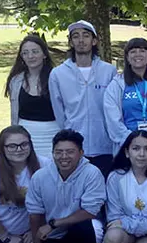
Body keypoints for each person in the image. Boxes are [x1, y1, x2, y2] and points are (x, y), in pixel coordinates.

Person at [18, 129, 107, 243]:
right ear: (52, 153)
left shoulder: (92, 174)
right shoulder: (40, 176)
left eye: (70, 152)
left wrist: (54, 223)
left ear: (81, 153)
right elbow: (34, 213)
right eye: (59, 152)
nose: (64, 156)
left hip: (83, 230)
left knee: (84, 226)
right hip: (54, 236)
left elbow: (90, 212)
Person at [49, 20, 118, 175]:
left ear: (94, 41)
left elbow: (114, 109)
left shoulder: (109, 71)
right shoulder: (58, 74)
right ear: (70, 42)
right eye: (76, 36)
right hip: (74, 147)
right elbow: (59, 111)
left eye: (86, 35)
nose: (81, 40)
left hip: (104, 145)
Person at [6, 35, 58, 158]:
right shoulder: (16, 81)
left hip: (53, 136)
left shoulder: (57, 78)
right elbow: (14, 112)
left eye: (35, 51)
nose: (30, 56)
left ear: (44, 54)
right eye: (25, 53)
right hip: (25, 140)